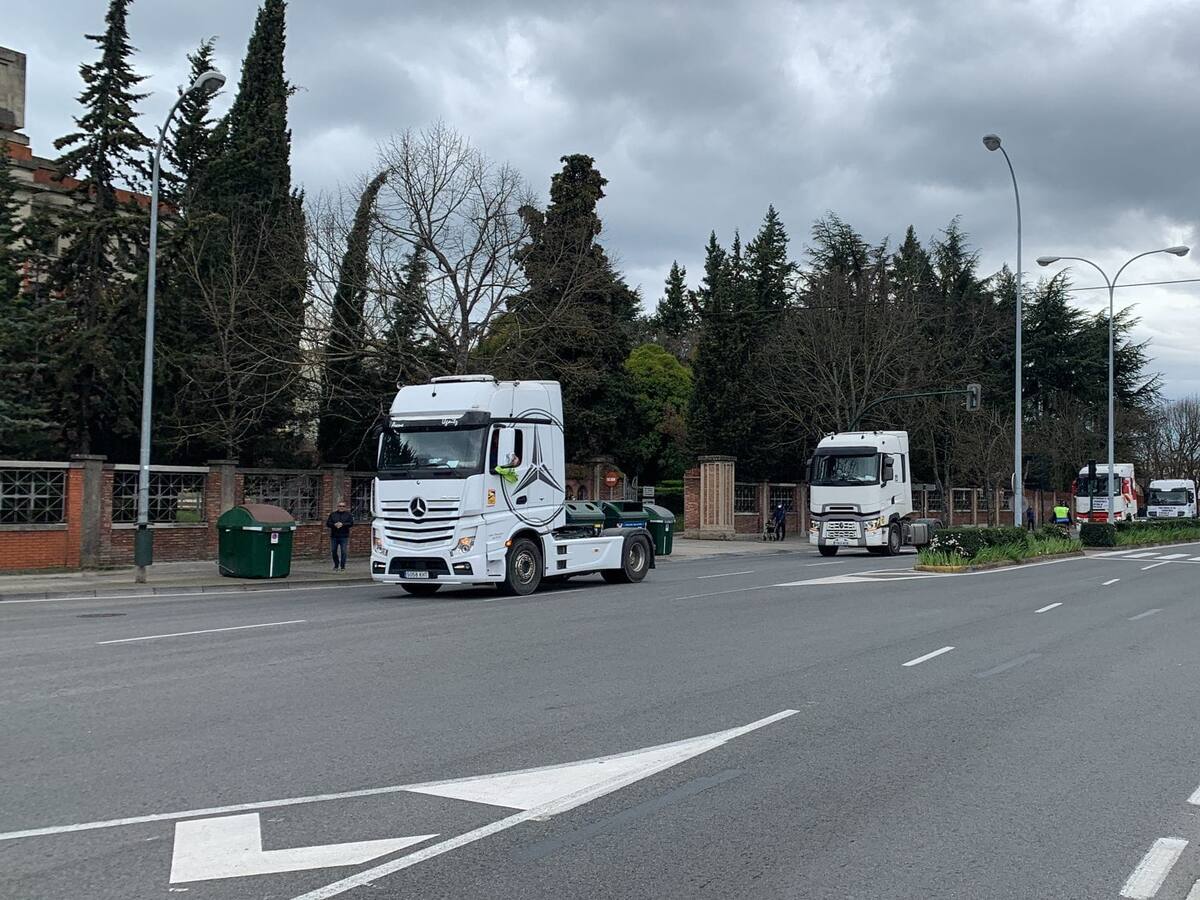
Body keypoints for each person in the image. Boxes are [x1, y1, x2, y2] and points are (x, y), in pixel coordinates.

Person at [326, 500, 354, 571]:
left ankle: (342, 566)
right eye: (340, 506)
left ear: (345, 507)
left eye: (343, 506)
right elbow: (328, 523)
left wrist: (343, 524)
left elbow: (351, 523)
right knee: (333, 551)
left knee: (344, 552)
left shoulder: (348, 515)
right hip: (334, 536)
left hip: (344, 536)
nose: (341, 507)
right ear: (337, 507)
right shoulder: (333, 514)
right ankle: (336, 565)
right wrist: (334, 524)